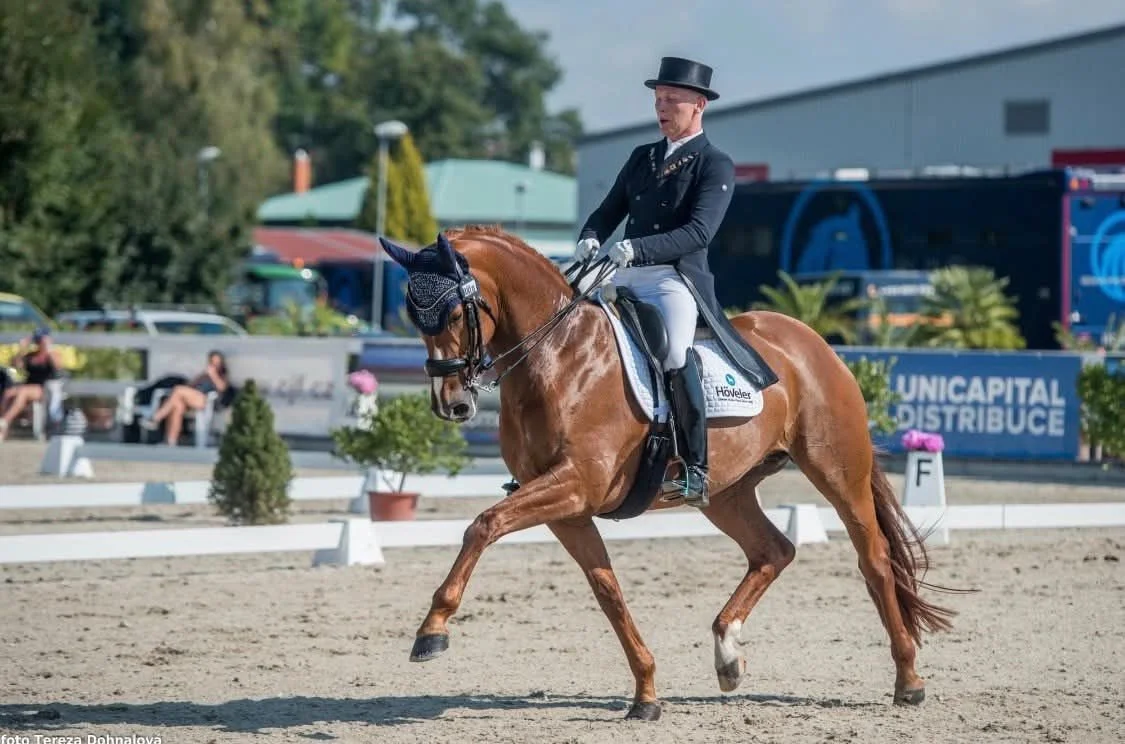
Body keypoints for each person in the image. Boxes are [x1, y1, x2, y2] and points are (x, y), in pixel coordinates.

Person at [574, 56, 737, 508]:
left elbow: (699, 233)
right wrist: (591, 236)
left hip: (673, 279)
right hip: (623, 271)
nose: (662, 107)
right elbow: (608, 211)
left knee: (674, 353)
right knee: (570, 330)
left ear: (699, 105)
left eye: (672, 100)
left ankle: (695, 467)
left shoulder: (714, 164)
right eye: (658, 99)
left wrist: (639, 249)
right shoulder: (641, 157)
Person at [143, 350, 229, 446]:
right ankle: (171, 441)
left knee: (178, 389)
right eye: (212, 362)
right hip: (192, 397)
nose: (214, 365)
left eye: (216, 362)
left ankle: (156, 418)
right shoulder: (205, 374)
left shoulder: (222, 375)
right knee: (177, 406)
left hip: (203, 399)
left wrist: (213, 375)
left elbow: (222, 388)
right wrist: (201, 377)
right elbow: (190, 385)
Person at [0, 328, 61, 442]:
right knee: (8, 393)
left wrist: (48, 348)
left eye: (40, 340)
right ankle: (3, 428)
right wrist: (22, 349)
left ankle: (4, 421)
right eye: (38, 340)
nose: (39, 342)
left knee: (22, 392)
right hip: (28, 386)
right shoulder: (31, 356)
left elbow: (57, 366)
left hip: (43, 388)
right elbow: (15, 364)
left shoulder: (52, 355)